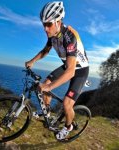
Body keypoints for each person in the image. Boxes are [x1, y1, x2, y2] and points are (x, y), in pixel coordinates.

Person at [25, 1, 89, 140]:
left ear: (58, 22)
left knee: (66, 103)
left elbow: (71, 71)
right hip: (68, 65)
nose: (45, 29)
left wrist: (49, 87)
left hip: (79, 70)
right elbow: (46, 50)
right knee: (46, 83)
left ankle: (68, 127)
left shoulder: (69, 37)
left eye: (48, 24)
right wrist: (32, 61)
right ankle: (46, 112)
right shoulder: (53, 35)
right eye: (44, 24)